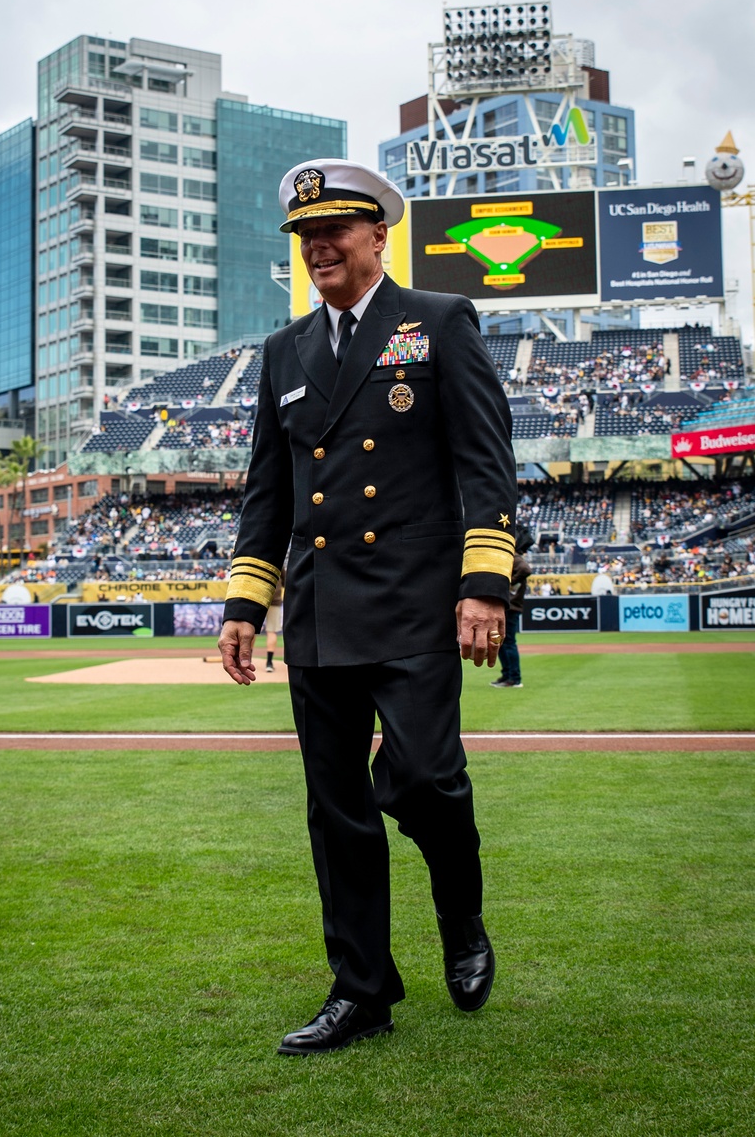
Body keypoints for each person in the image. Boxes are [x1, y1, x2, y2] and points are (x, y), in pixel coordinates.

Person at [218, 159, 517, 1055]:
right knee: (335, 811)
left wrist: (484, 582)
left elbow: (484, 460)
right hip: (317, 612)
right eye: (307, 238)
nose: (320, 248)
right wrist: (244, 601)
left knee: (423, 779)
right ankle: (362, 991)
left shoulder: (437, 322)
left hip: (418, 604)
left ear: (378, 235)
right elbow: (266, 492)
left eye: (336, 231)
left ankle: (460, 920)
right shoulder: (283, 353)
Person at [490, 526, 533, 689]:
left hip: (511, 605)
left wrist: (508, 582)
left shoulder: (513, 556)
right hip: (510, 604)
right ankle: (508, 674)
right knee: (502, 642)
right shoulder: (514, 557)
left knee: (507, 642)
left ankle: (514, 677)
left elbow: (525, 569)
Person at [262, 570, 284, 672]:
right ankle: (269, 663)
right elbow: (286, 581)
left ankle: (246, 660)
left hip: (258, 599)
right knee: (271, 631)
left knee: (251, 629)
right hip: (275, 600)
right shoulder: (279, 560)